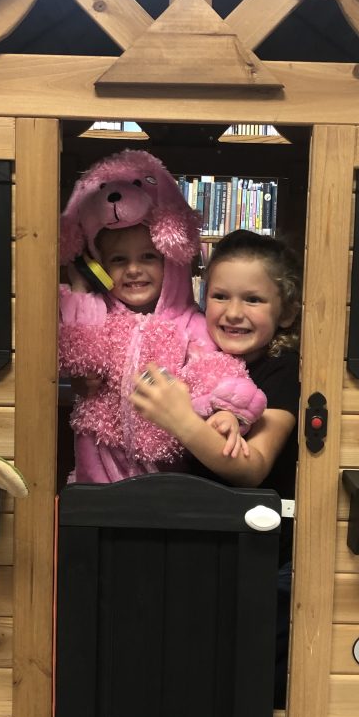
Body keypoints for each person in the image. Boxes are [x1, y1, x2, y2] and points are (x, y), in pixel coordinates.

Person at [130, 228, 302, 704]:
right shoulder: (195, 357)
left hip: (262, 547)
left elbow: (253, 467)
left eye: (253, 299)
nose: (232, 312)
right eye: (220, 296)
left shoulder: (281, 371)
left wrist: (180, 419)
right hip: (197, 534)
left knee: (249, 654)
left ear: (285, 312)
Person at [58, 151, 267, 484]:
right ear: (99, 264)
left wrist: (229, 411)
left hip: (166, 474)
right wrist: (81, 282)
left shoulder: (189, 324)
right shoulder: (99, 313)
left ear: (170, 261)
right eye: (118, 260)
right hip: (96, 469)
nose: (134, 270)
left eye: (147, 257)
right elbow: (77, 353)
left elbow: (213, 372)